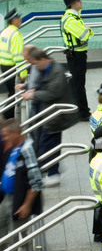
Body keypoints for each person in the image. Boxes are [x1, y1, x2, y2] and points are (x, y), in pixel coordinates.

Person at [21, 48, 77, 187]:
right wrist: (26, 86)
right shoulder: (45, 69)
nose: (35, 67)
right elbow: (40, 85)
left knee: (48, 144)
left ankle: (53, 173)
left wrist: (33, 95)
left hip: (55, 115)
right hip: (47, 113)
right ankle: (50, 169)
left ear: (43, 59)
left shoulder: (57, 71)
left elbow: (53, 93)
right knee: (45, 143)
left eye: (36, 63)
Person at [0, 118, 42, 251]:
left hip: (18, 202)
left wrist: (26, 204)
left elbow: (36, 181)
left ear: (16, 133)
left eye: (7, 135)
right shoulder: (15, 148)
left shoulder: (27, 149)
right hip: (7, 198)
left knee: (20, 240)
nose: (5, 139)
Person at [61, 0, 93, 122]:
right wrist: (88, 30)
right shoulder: (70, 20)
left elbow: (85, 32)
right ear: (72, 4)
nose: (81, 1)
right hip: (76, 55)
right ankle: (82, 112)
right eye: (78, 0)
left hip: (78, 53)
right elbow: (85, 34)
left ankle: (79, 109)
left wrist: (87, 30)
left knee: (78, 82)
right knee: (78, 84)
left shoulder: (75, 17)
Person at [0, 9, 27, 119]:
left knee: (12, 92)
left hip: (3, 65)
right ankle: (5, 117)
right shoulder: (16, 34)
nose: (21, 20)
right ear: (14, 20)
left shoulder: (5, 31)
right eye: (18, 18)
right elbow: (18, 56)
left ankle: (7, 117)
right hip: (11, 67)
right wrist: (23, 74)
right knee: (14, 94)